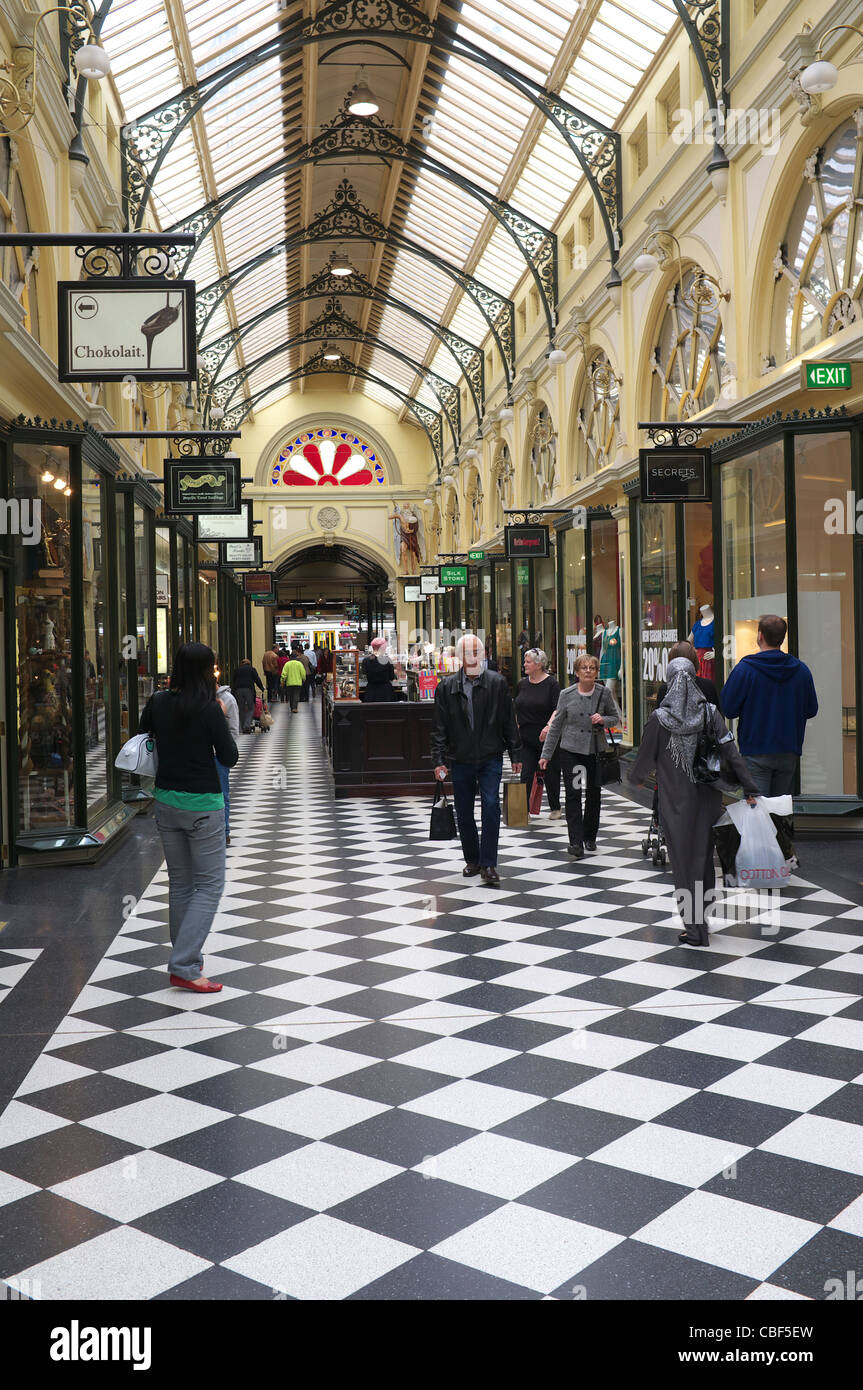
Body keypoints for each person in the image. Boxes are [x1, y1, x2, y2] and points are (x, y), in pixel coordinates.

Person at [631, 654, 759, 947]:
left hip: (675, 802)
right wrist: (750, 787)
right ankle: (703, 919)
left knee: (683, 863)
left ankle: (695, 928)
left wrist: (635, 779)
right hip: (708, 799)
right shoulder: (710, 713)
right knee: (703, 860)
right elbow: (731, 752)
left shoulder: (659, 719)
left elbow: (642, 762)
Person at [140, 642, 237, 991]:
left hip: (165, 802)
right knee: (210, 885)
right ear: (206, 670)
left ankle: (186, 959)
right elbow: (230, 757)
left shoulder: (158, 702)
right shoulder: (211, 709)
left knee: (181, 883)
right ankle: (184, 964)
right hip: (202, 805)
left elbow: (144, 731)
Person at [432, 632, 522, 887]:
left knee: (491, 806)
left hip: (490, 756)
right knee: (464, 811)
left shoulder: (497, 683)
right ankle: (472, 859)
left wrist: (516, 753)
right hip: (460, 758)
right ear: (459, 656)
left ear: (482, 654)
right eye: (466, 652)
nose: (471, 656)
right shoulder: (446, 687)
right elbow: (439, 728)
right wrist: (438, 760)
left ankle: (489, 862)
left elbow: (508, 721)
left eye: (475, 651)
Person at [720, 615, 818, 796]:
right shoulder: (801, 670)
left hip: (755, 751)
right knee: (781, 813)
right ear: (782, 638)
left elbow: (728, 708)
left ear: (760, 636)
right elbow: (811, 709)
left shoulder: (745, 669)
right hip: (789, 750)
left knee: (757, 813)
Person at [540, 653, 621, 859]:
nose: (588, 671)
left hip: (595, 751)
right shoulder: (566, 694)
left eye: (592, 668)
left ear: (596, 673)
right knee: (573, 794)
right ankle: (575, 842)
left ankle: (590, 835)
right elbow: (556, 726)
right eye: (584, 668)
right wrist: (546, 755)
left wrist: (603, 719)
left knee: (594, 794)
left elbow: (615, 718)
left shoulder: (604, 693)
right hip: (572, 752)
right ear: (576, 672)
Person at [515, 648, 562, 820]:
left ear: (539, 664)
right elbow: (517, 705)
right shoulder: (522, 683)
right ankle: (523, 810)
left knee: (550, 772)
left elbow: (558, 708)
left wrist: (548, 726)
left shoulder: (551, 684)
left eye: (527, 661)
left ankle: (555, 807)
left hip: (547, 736)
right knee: (526, 772)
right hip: (527, 736)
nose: (524, 664)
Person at [214, 672, 240, 845]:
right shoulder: (199, 698)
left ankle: (224, 832)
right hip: (201, 755)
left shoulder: (227, 699)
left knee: (222, 794)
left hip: (218, 756)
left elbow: (233, 731)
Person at [656, 640, 720, 709]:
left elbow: (659, 717)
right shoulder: (708, 686)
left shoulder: (665, 689)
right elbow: (715, 716)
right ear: (695, 660)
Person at [231, 657, 264, 733]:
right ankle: (247, 726)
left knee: (241, 708)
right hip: (248, 689)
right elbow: (257, 679)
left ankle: (242, 727)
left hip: (238, 690)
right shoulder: (252, 669)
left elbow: (234, 680)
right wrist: (262, 688)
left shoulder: (237, 670)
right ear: (249, 664)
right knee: (251, 708)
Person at [362, 636, 397, 702]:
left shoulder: (365, 661)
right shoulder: (387, 660)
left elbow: (364, 674)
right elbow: (391, 677)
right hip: (386, 693)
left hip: (371, 692)